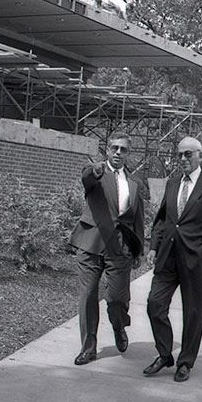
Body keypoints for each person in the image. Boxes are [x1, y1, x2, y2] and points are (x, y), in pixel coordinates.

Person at [143, 137, 202, 382]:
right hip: (167, 257)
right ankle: (164, 354)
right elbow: (162, 220)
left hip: (195, 259)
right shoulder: (172, 183)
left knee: (193, 312)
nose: (183, 159)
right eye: (180, 154)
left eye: (188, 154)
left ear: (201, 156)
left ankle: (185, 362)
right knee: (154, 304)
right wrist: (153, 247)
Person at [69, 132, 145, 366]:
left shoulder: (135, 182)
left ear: (128, 153)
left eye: (123, 149)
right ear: (107, 150)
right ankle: (89, 346)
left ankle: (119, 326)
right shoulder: (97, 173)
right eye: (114, 148)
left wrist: (138, 249)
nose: (118, 152)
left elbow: (138, 218)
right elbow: (87, 178)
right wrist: (94, 170)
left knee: (117, 299)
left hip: (120, 247)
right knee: (88, 294)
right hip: (91, 243)